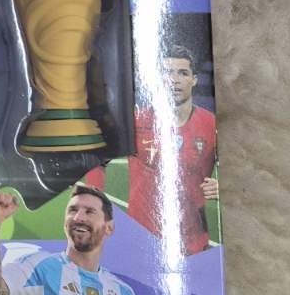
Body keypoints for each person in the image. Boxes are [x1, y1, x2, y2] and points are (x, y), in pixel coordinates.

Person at [87, 45, 218, 256]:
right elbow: (97, 158)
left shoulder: (211, 124)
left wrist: (224, 187)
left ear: (194, 79)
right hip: (141, 240)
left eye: (182, 73)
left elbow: (240, 169)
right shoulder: (136, 122)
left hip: (194, 243)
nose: (174, 80)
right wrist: (95, 203)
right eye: (168, 72)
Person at [0, 184, 140, 295]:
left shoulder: (124, 294)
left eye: (89, 212)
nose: (78, 217)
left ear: (109, 228)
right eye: (73, 210)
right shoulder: (40, 267)